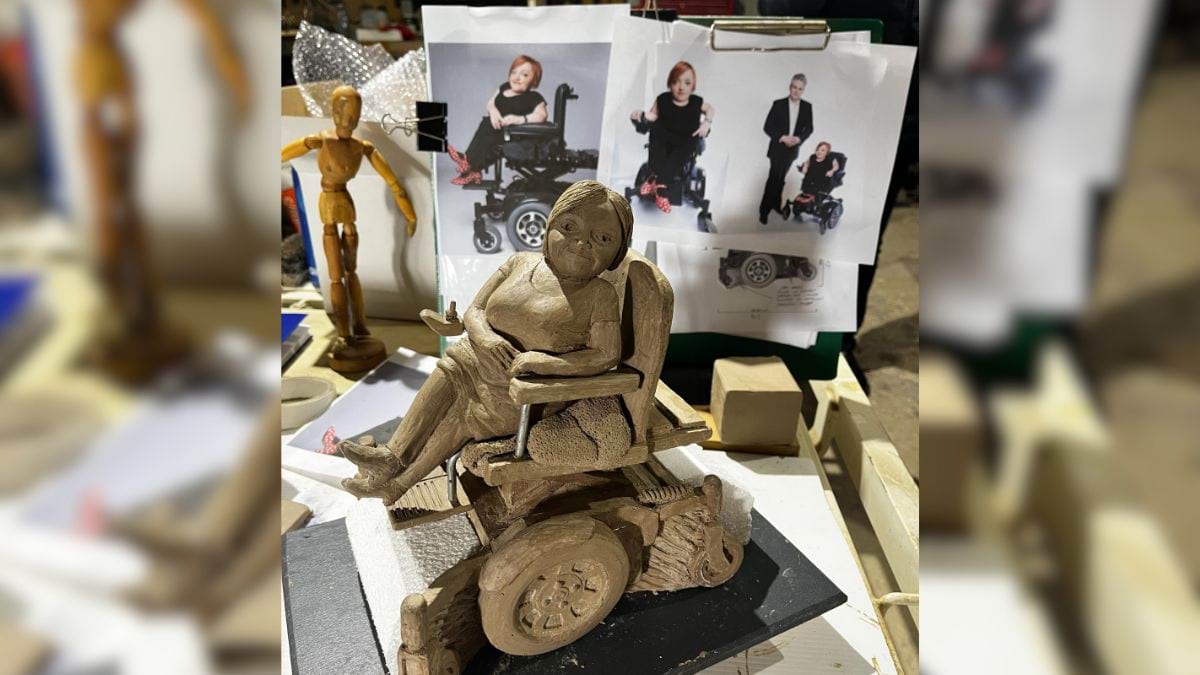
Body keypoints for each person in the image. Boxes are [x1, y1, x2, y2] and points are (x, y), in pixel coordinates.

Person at [340, 180, 633, 503]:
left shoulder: (600, 295)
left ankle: (398, 484)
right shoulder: (519, 263)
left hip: (521, 391)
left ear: (616, 254)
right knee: (449, 370)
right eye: (569, 226)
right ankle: (390, 459)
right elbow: (475, 310)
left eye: (602, 239)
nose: (581, 244)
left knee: (466, 414)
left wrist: (542, 362)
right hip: (472, 360)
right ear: (549, 226)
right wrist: (486, 339)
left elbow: (605, 355)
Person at [447, 54, 549, 186]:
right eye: (514, 72)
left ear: (533, 80)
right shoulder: (504, 87)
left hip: (516, 135)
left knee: (488, 129)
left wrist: (519, 119)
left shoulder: (534, 97)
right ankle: (471, 166)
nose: (517, 77)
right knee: (487, 125)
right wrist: (493, 111)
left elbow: (542, 115)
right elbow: (491, 103)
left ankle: (469, 164)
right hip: (497, 131)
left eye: (524, 75)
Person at [629, 61, 715, 213]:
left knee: (688, 144)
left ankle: (659, 184)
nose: (681, 87)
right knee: (656, 129)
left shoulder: (696, 102)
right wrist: (639, 114)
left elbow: (710, 109)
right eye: (676, 82)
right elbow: (652, 115)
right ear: (670, 84)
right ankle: (654, 178)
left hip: (684, 141)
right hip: (664, 138)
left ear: (693, 85)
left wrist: (706, 123)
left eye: (687, 83)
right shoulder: (663, 99)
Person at [759, 73, 813, 224]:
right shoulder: (778, 104)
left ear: (803, 90)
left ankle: (776, 204)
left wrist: (798, 139)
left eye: (800, 89)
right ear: (790, 87)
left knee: (781, 179)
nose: (796, 91)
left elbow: (809, 128)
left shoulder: (807, 107)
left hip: (792, 150)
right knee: (773, 179)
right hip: (777, 148)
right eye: (794, 87)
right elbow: (768, 126)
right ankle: (764, 211)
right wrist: (782, 137)